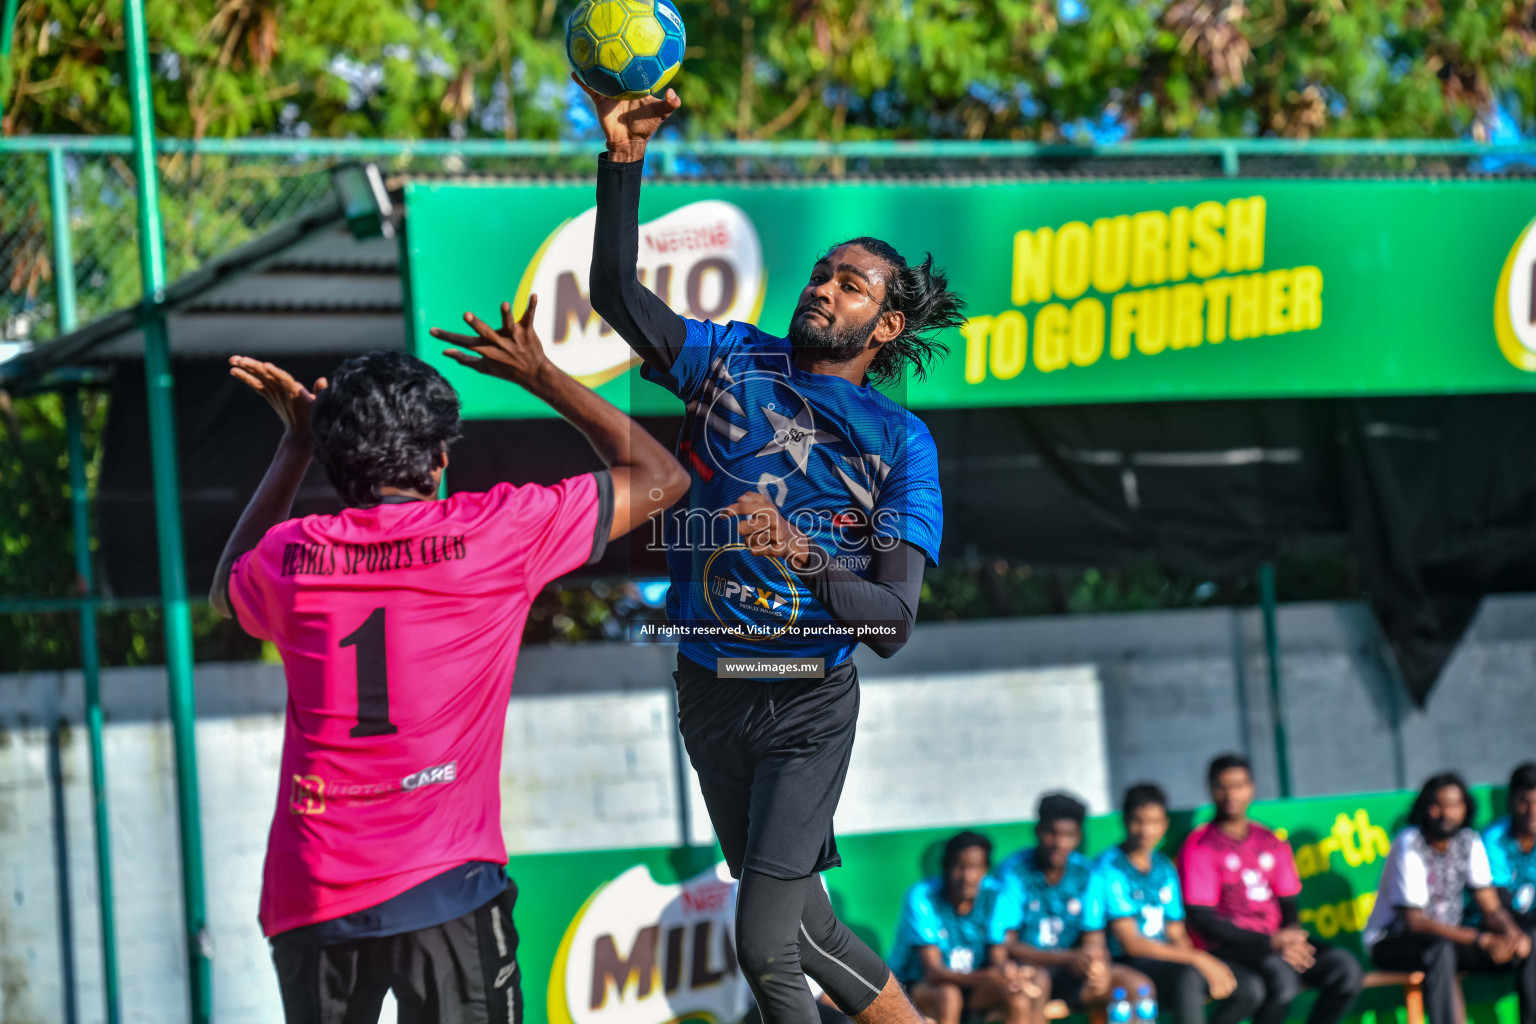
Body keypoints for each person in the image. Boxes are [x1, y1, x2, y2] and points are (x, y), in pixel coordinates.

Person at [578, 77, 963, 1024]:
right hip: (710, 688)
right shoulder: (729, 359)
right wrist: (623, 161)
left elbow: (893, 623)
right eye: (822, 272)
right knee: (807, 932)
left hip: (806, 707)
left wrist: (802, 553)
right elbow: (616, 294)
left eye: (852, 284)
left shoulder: (899, 442)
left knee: (761, 944)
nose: (824, 287)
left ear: (888, 326)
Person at [211, 302, 689, 1023]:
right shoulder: (497, 533)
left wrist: (293, 449)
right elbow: (661, 476)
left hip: (311, 895)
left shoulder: (290, 556)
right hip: (447, 889)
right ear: (439, 458)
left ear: (338, 464)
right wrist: (542, 376)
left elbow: (226, 588)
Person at [1179, 754, 1363, 1024]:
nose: (1232, 794)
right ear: (1211, 790)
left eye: (1239, 785)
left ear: (1252, 788)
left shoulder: (1269, 839)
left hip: (1277, 943)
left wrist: (1291, 937)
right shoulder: (1201, 846)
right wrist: (1270, 943)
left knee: (1346, 970)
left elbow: (1288, 901)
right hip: (1231, 946)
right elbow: (1203, 919)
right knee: (1283, 980)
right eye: (1223, 786)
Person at [1367, 772, 1535, 1024]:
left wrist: (1512, 934)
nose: (1447, 813)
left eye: (1455, 805)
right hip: (1394, 941)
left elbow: (1490, 906)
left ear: (1465, 808)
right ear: (1425, 808)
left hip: (1453, 937)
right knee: (1440, 950)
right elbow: (1416, 923)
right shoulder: (1409, 842)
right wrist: (1482, 939)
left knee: (1529, 940)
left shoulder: (1469, 841)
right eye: (1438, 805)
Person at [1100, 783, 1263, 1024]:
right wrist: (1196, 958)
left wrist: (1199, 959)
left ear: (1164, 824)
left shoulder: (1164, 867)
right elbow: (1131, 944)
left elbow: (1176, 932)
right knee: (1187, 977)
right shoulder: (1110, 867)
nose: (1145, 830)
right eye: (1138, 821)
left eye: (1154, 822)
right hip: (1128, 963)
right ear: (1124, 821)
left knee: (1249, 988)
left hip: (1169, 957)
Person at [993, 793, 1152, 1014]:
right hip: (1031, 971)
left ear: (1077, 837)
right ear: (1038, 831)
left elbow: (1093, 938)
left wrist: (1096, 965)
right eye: (1052, 833)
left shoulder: (1087, 874)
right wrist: (1066, 958)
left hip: (1072, 972)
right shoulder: (1014, 873)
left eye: (1068, 835)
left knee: (1136, 987)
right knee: (1037, 984)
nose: (1059, 843)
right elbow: (1006, 945)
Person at [890, 832, 1044, 1024]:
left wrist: (1007, 974)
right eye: (959, 867)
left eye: (975, 867)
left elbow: (998, 957)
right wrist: (988, 976)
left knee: (1016, 995)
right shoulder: (923, 897)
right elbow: (933, 972)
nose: (967, 876)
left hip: (973, 985)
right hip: (918, 988)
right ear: (945, 867)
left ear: (985, 869)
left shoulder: (995, 895)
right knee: (949, 994)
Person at [1485, 763, 1536, 928]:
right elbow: (1500, 900)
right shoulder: (1494, 838)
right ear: (1511, 801)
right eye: (1524, 802)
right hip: (1502, 924)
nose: (1532, 811)